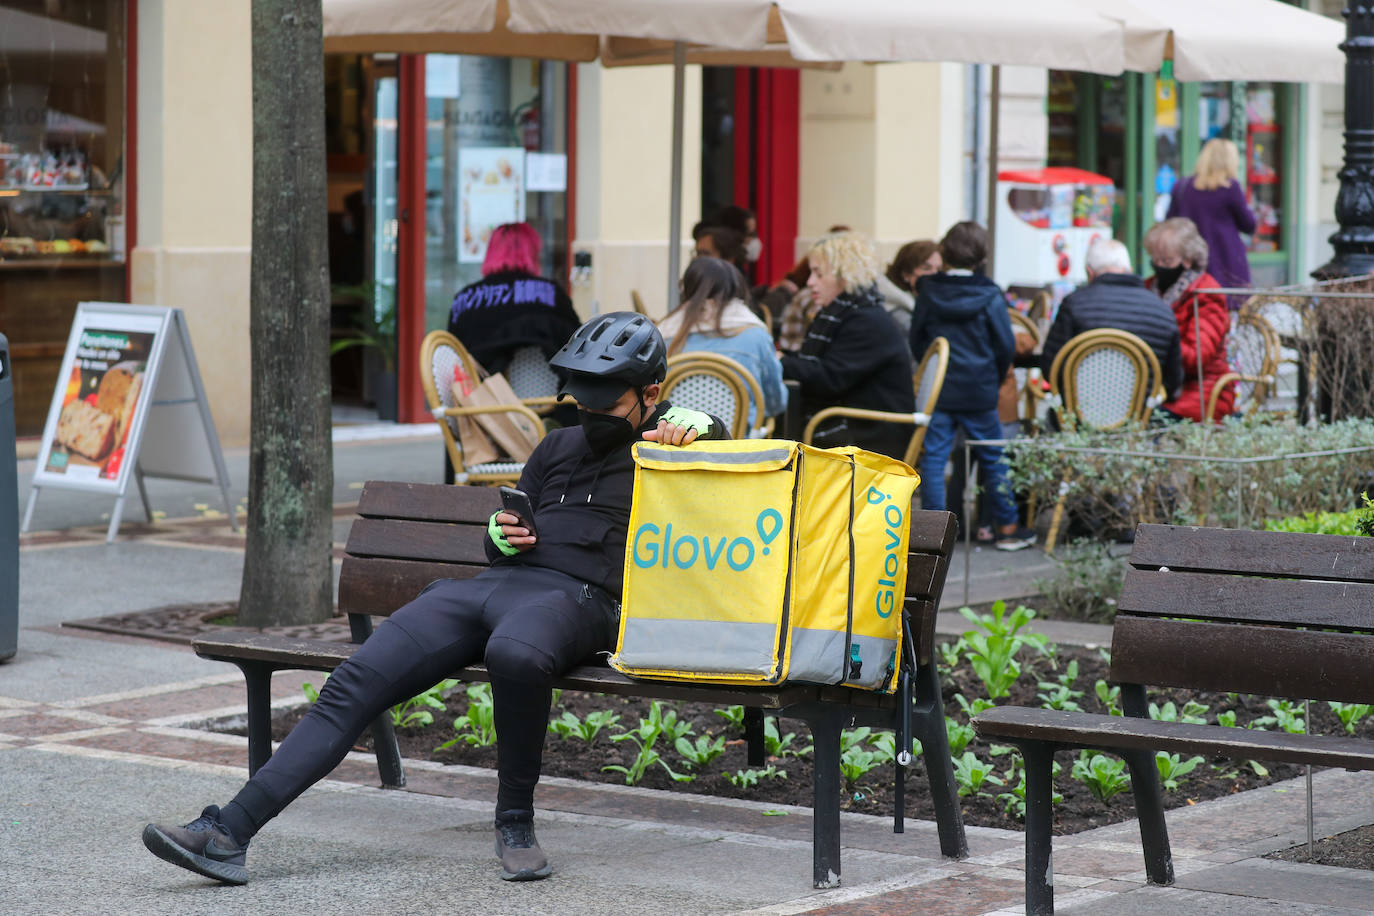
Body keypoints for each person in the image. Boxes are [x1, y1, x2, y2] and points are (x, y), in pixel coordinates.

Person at [141, 313, 727, 886]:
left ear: (651, 394)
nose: (590, 415)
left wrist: (701, 429)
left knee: (515, 652)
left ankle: (515, 822)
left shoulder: (674, 450)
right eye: (582, 402)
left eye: (607, 405)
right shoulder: (556, 447)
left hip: (584, 599)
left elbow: (733, 462)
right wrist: (501, 534)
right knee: (355, 679)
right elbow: (501, 540)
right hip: (497, 587)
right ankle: (228, 832)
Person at [909, 221, 1036, 551]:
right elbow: (1004, 343)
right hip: (979, 388)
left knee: (935, 457)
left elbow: (917, 339)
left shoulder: (928, 291)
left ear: (945, 252)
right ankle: (1007, 528)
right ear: (981, 256)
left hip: (940, 388)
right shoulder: (990, 293)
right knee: (994, 456)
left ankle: (933, 532)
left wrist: (933, 370)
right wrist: (993, 375)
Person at [780, 232, 915, 460]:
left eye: (818, 274)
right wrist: (784, 358)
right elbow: (826, 367)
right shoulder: (848, 312)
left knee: (779, 432)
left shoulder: (867, 320)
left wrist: (782, 362)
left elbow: (830, 379)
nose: (810, 282)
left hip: (871, 437)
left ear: (844, 277)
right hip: (857, 422)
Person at [1041, 237, 1184, 402]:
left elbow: (1051, 368)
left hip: (1078, 413)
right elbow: (1173, 381)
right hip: (1141, 415)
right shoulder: (1162, 310)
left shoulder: (1074, 304)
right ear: (1129, 270)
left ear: (1090, 272)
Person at [658, 256, 788, 428]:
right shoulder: (757, 335)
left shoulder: (663, 335)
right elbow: (775, 403)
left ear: (686, 290)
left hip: (674, 439)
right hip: (736, 442)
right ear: (737, 289)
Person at [446, 222, 581, 377]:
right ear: (533, 253)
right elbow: (579, 346)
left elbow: (452, 356)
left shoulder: (464, 299)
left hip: (482, 390)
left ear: (491, 253)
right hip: (547, 390)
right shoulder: (551, 293)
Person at [1143, 218, 1235, 423]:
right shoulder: (1148, 287)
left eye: (1167, 261)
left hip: (1200, 390)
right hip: (1156, 387)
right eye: (1155, 260)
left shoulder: (1206, 293)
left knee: (1150, 419)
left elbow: (1197, 357)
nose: (1159, 267)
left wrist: (1156, 341)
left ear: (1188, 260)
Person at [1166, 139, 1257, 296]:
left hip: (1189, 261)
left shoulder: (1182, 186)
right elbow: (1249, 225)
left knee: (1191, 304)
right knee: (1226, 306)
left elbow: (1170, 222)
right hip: (1226, 262)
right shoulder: (1231, 187)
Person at [878, 239, 942, 339]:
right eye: (926, 268)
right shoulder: (898, 313)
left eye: (939, 269)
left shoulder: (928, 301)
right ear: (906, 274)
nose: (935, 274)